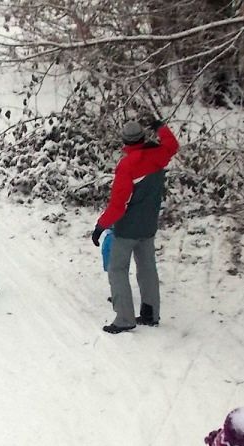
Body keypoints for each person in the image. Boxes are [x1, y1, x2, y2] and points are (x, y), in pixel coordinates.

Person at [91, 117, 179, 334]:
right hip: (149, 225)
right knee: (147, 268)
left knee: (117, 269)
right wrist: (161, 128)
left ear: (125, 141)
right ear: (143, 137)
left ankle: (124, 319)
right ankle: (150, 314)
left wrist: (101, 226)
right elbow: (172, 145)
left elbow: (118, 204)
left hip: (127, 229)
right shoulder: (159, 154)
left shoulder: (127, 165)